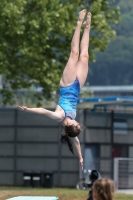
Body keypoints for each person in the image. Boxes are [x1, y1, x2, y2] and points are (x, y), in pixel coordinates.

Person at [17, 9, 91, 170]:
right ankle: (87, 27)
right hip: (78, 87)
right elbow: (76, 141)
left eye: (76, 124)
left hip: (67, 85)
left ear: (69, 124)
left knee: (74, 53)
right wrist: (80, 157)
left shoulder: (59, 116)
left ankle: (79, 23)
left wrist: (27, 108)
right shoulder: (72, 127)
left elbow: (44, 111)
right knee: (84, 56)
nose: (77, 122)